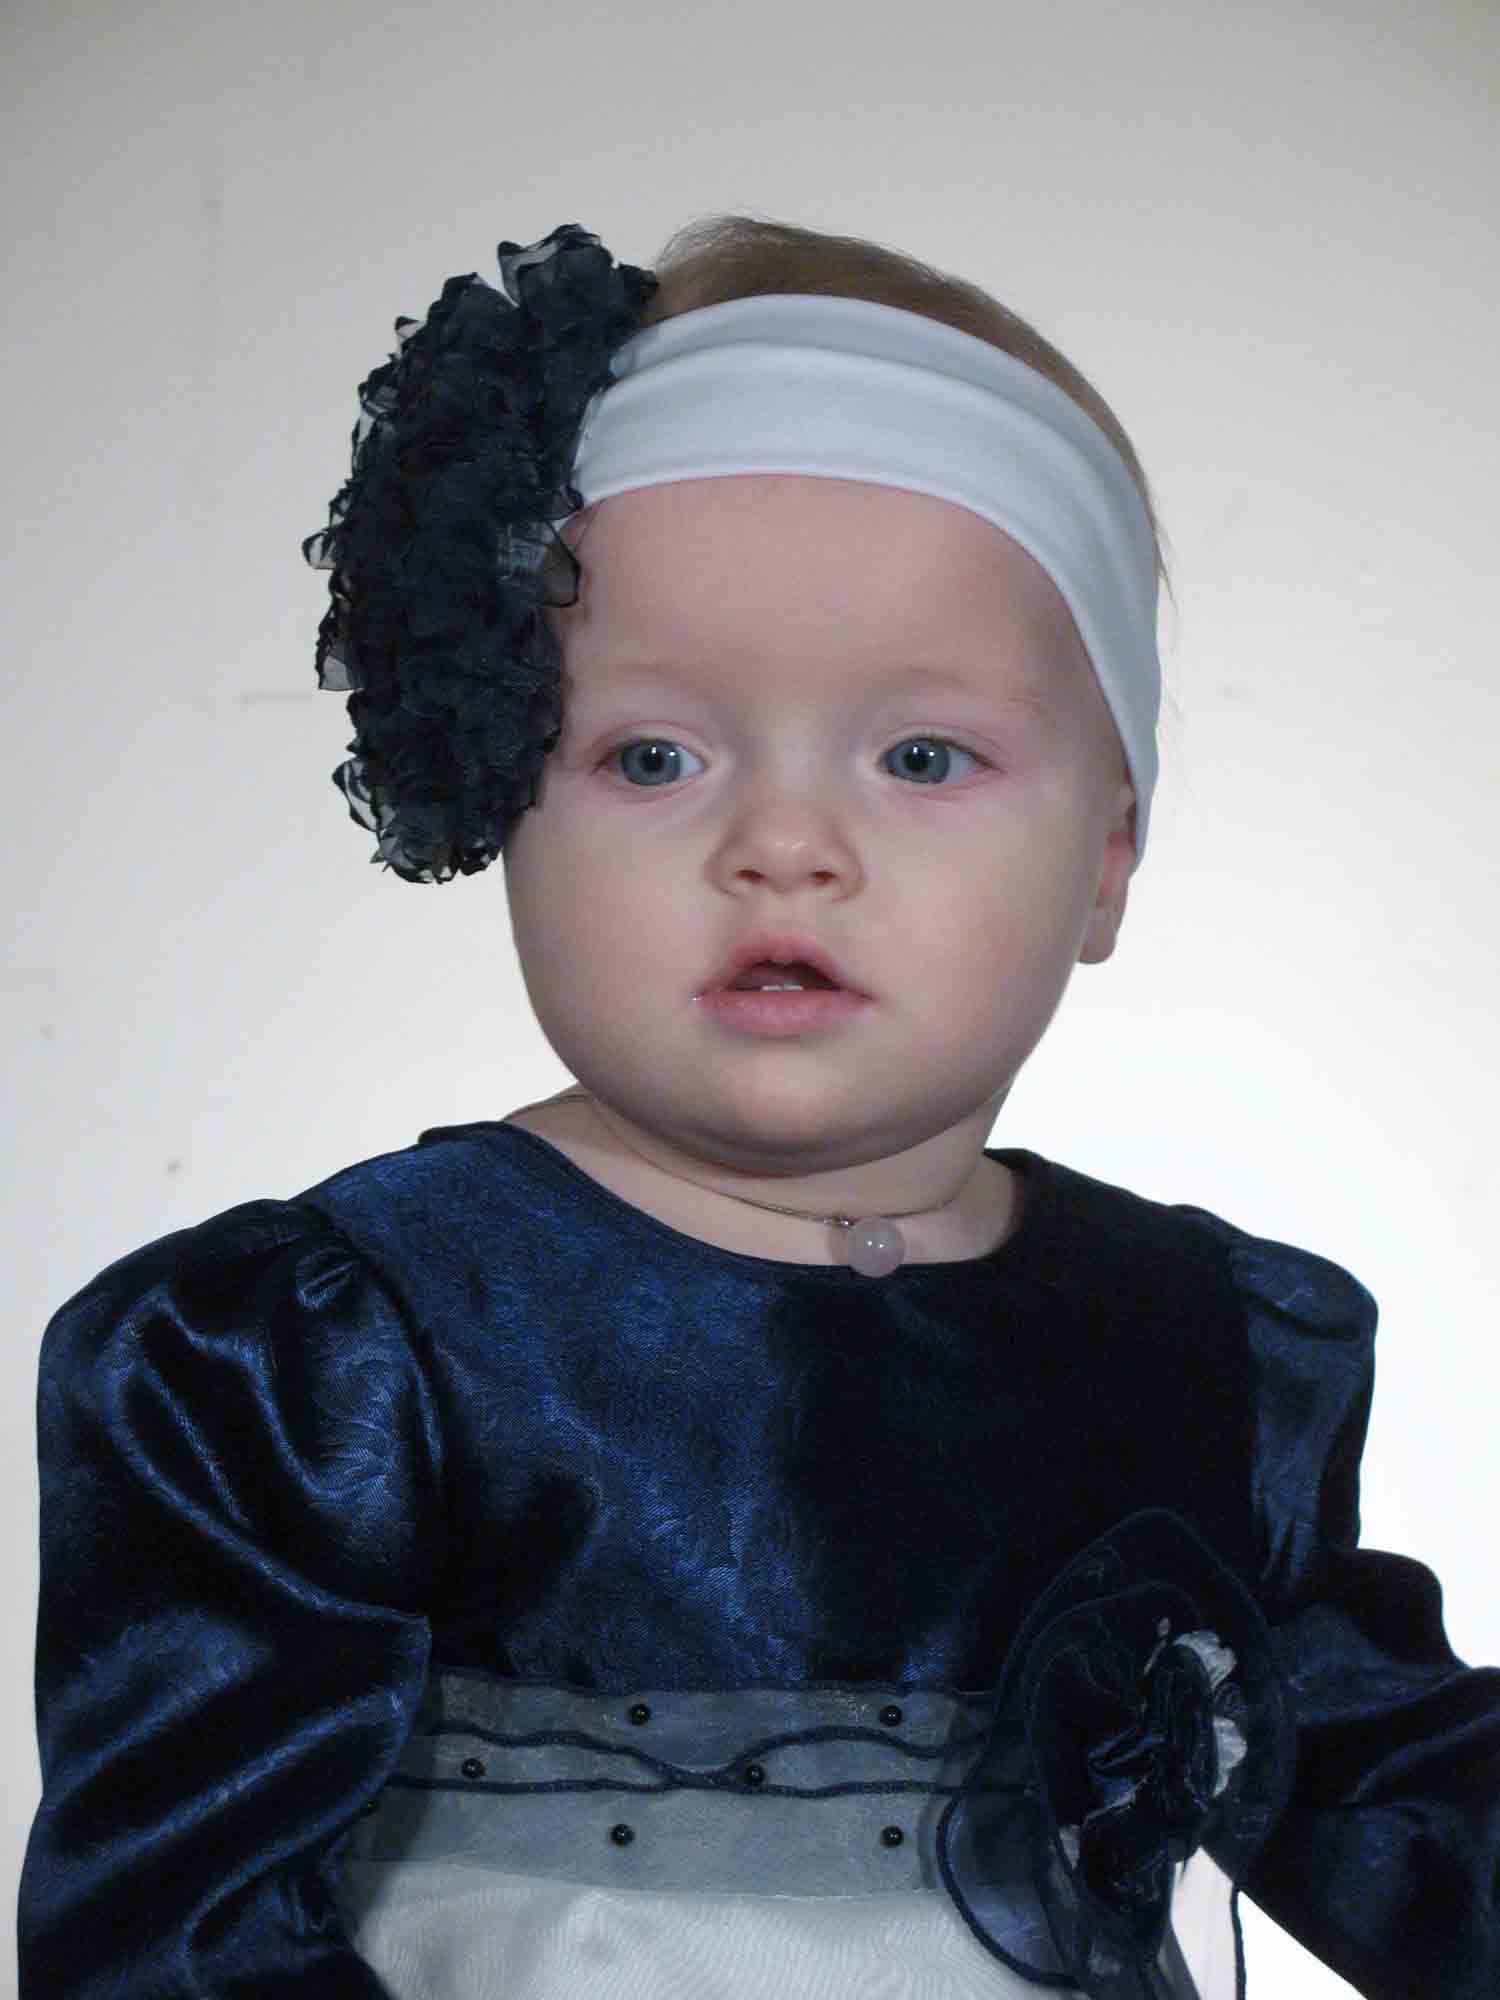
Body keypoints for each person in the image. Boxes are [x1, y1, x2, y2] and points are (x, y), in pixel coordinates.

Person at [17, 217, 1499, 2000]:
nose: (784, 843)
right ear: (501, 793)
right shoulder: (341, 1360)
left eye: (923, 756)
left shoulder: (1204, 1355)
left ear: (1107, 859)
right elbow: (174, 1946)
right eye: (653, 756)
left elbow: (1412, 1816)